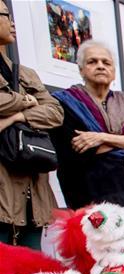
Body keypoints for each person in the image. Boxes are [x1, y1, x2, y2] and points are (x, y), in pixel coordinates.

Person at [52, 40, 124, 227]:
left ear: (113, 71)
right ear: (81, 69)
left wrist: (101, 137)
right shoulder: (65, 104)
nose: (100, 66)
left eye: (106, 62)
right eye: (92, 62)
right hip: (94, 198)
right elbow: (76, 153)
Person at [0, 1, 64, 248]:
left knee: (32, 271)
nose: (13, 23)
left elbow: (55, 112)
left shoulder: (26, 73)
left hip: (32, 190)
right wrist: (25, 100)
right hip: (4, 185)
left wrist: (17, 116)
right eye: (6, 15)